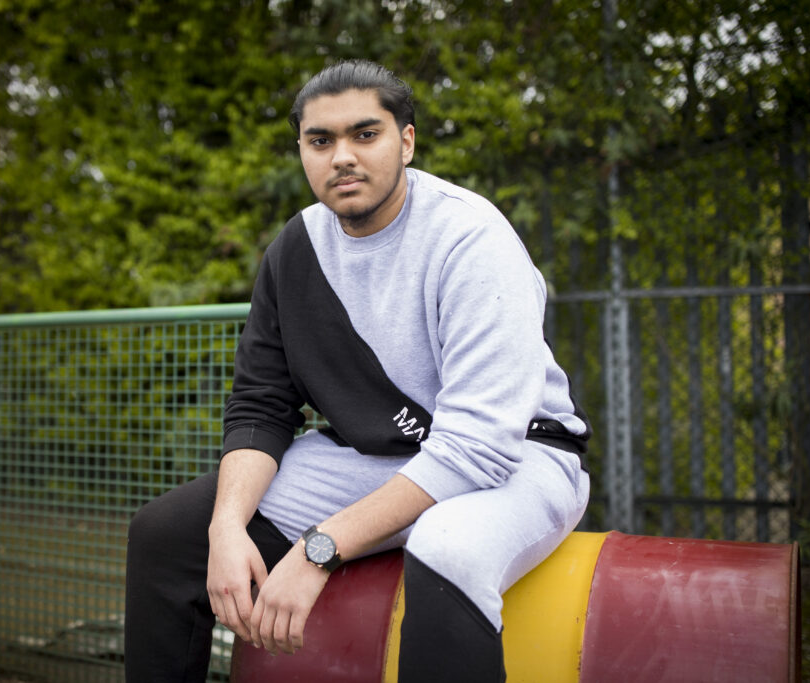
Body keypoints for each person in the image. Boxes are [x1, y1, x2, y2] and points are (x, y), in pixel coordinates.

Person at [124, 59, 591, 683]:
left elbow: (478, 445)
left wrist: (319, 549)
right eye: (321, 141)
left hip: (514, 459)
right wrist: (226, 528)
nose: (342, 156)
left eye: (364, 134)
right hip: (376, 459)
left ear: (406, 140)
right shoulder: (297, 249)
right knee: (167, 534)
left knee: (447, 549)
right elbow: (263, 406)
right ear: (302, 151)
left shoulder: (471, 236)